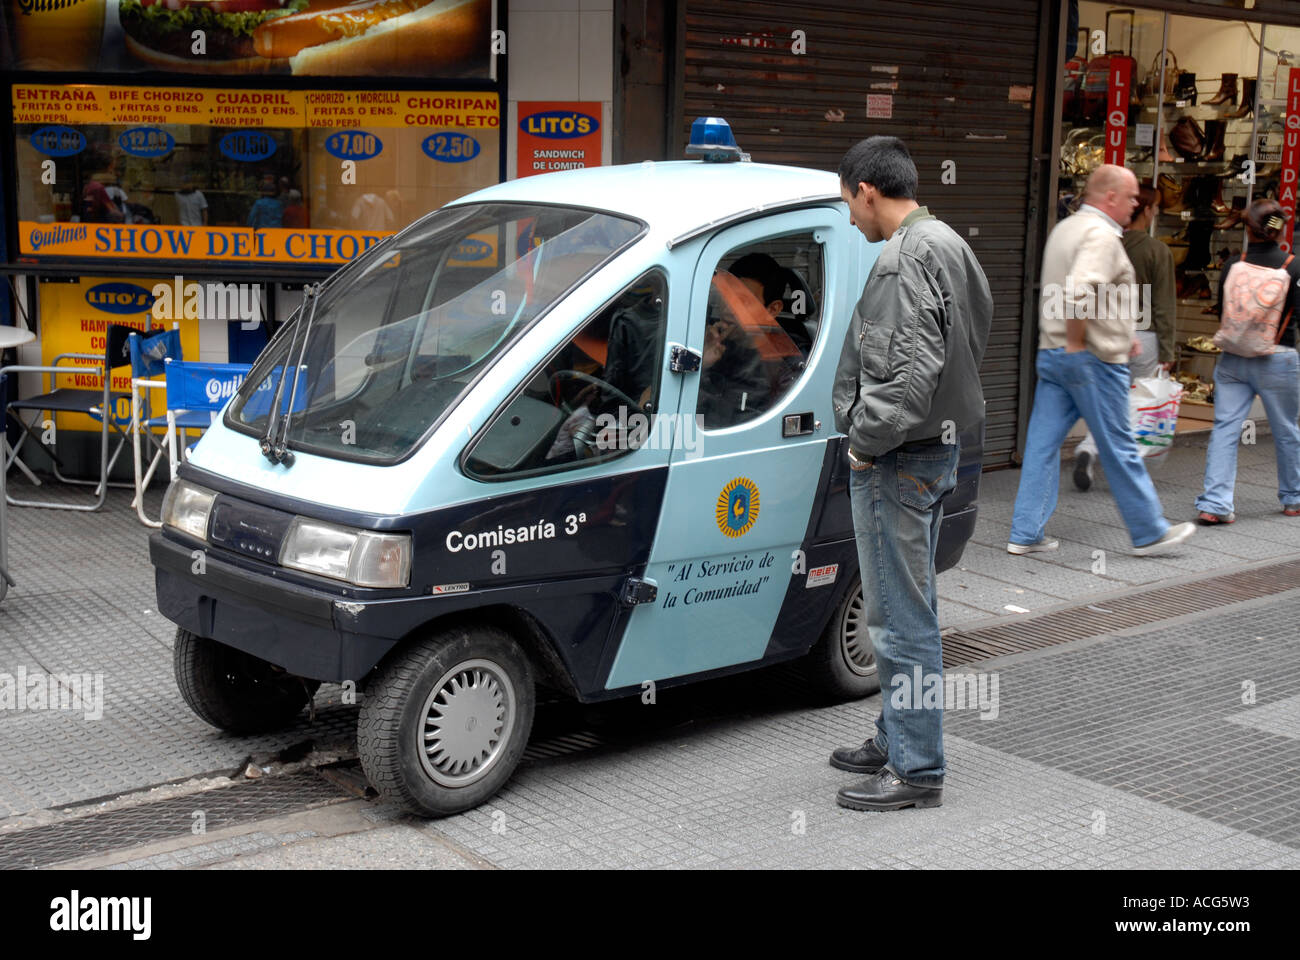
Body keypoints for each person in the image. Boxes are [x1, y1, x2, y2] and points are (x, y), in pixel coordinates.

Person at [829, 136, 991, 812]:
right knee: (905, 607)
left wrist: (864, 444)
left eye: (847, 204)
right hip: (936, 450)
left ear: (868, 190)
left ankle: (917, 767)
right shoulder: (948, 242)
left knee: (900, 619)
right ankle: (896, 734)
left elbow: (903, 385)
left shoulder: (902, 261)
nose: (848, 219)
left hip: (899, 457)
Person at [1009, 164, 1195, 556]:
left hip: (1053, 353)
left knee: (1042, 447)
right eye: (1130, 198)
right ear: (1109, 197)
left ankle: (1025, 533)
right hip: (1091, 359)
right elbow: (1081, 291)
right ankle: (1148, 531)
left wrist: (1115, 335)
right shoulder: (1101, 236)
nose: (1135, 205)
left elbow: (1073, 293)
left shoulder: (1066, 229)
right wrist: (1083, 342)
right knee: (1120, 444)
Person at [1195, 198, 1300, 523]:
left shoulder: (1232, 265)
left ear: (1248, 230)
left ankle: (1215, 504)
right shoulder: (1293, 266)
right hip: (1277, 356)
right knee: (1286, 429)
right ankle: (1293, 499)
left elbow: (1223, 307)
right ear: (1278, 229)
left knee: (1226, 428)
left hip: (1233, 358)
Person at [1074, 181, 1177, 490]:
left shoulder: (1105, 244)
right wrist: (1169, 350)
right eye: (1154, 206)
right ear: (1145, 211)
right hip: (1142, 336)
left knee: (1108, 400)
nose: (1156, 210)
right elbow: (1164, 305)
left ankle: (1089, 448)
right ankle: (1126, 466)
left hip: (1104, 332)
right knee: (1137, 401)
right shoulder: (1157, 251)